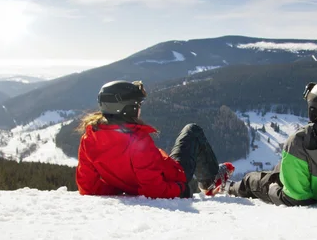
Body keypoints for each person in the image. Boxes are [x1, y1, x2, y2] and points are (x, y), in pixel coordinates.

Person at [76, 80, 234, 198]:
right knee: (192, 130)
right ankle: (210, 181)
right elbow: (154, 189)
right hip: (174, 175)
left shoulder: (89, 138)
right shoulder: (137, 141)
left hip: (149, 176)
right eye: (137, 105)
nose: (139, 109)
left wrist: (120, 189)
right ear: (127, 109)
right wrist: (180, 188)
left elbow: (88, 186)